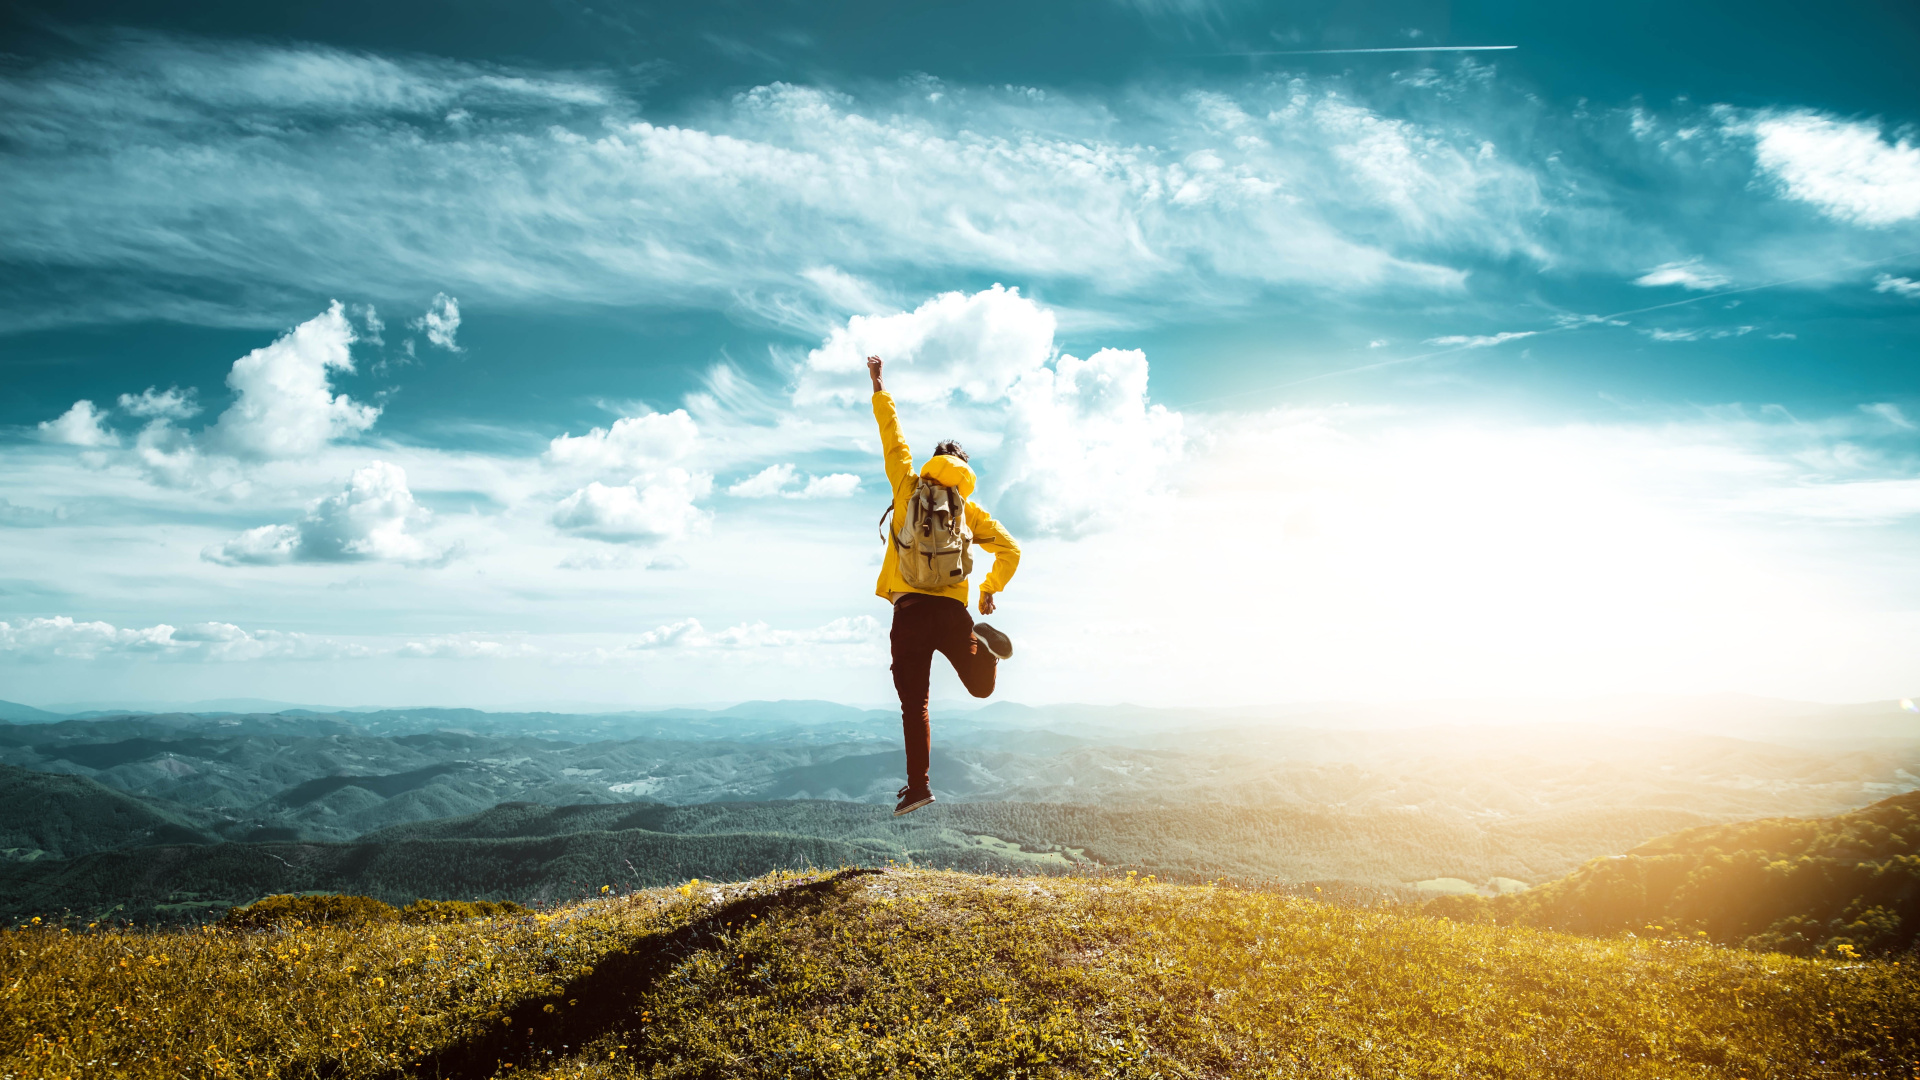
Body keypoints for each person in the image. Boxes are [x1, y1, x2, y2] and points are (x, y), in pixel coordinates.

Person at [868, 355, 1020, 816]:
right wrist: (990, 588)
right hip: (955, 615)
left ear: (934, 460)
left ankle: (919, 788)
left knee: (915, 704)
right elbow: (1011, 549)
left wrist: (879, 386)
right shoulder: (968, 512)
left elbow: (892, 438)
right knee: (980, 689)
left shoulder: (907, 485)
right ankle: (987, 650)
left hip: (910, 611)